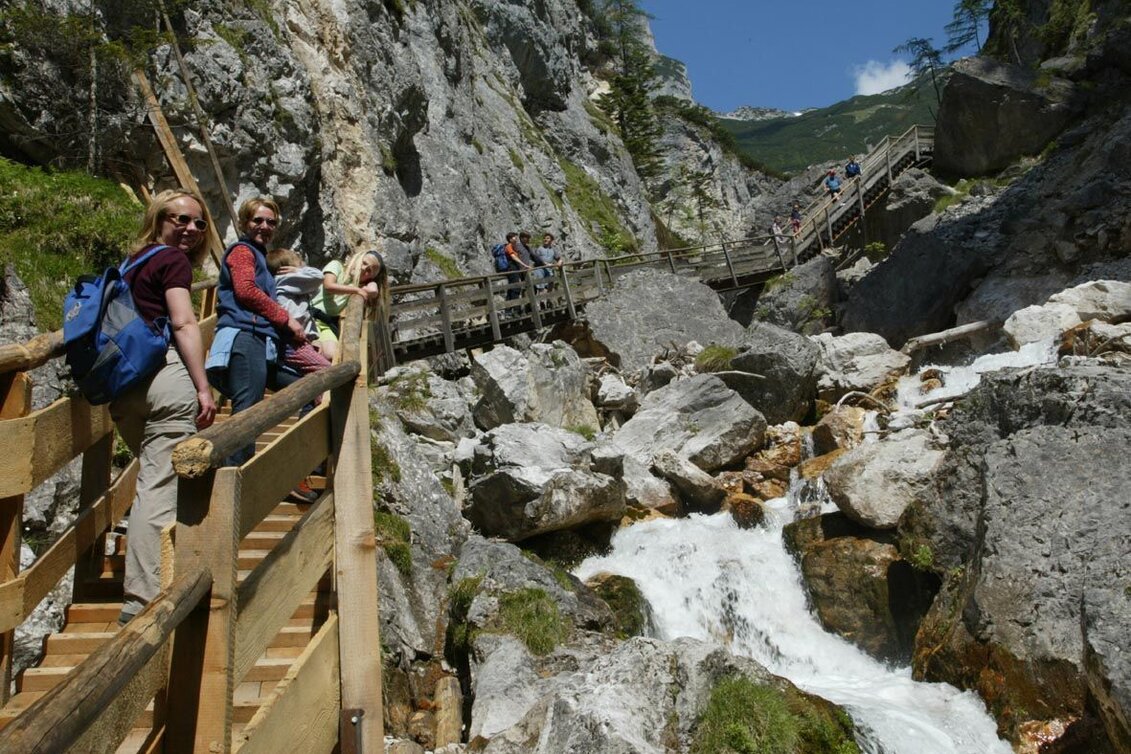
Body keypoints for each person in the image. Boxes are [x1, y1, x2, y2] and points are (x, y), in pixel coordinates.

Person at [111, 189, 217, 625]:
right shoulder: (172, 261)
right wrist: (203, 387)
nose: (190, 229)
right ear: (159, 220)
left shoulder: (131, 262)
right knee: (157, 490)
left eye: (199, 223)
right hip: (164, 377)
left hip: (123, 384)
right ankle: (143, 601)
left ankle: (151, 581)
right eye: (180, 219)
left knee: (150, 483)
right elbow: (183, 322)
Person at [205, 197, 307, 471]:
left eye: (271, 222)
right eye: (257, 220)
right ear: (243, 222)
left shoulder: (258, 255)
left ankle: (295, 465)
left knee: (309, 389)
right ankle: (233, 474)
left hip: (262, 342)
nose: (264, 226)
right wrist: (287, 320)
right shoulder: (242, 251)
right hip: (245, 335)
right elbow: (246, 291)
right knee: (248, 408)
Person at [309, 247, 383, 362]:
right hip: (310, 316)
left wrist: (372, 282)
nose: (364, 269)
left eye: (369, 271)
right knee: (316, 349)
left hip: (326, 323)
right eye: (364, 263)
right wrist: (357, 290)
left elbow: (373, 291)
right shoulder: (336, 266)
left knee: (331, 355)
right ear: (357, 258)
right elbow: (329, 286)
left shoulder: (357, 285)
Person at [267, 248, 332, 376]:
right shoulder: (284, 278)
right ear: (287, 267)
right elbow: (319, 277)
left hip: (296, 341)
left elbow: (315, 290)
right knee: (328, 372)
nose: (301, 263)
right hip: (293, 344)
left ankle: (317, 397)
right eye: (298, 261)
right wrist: (300, 270)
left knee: (311, 377)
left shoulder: (283, 282)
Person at [502, 231, 532, 305]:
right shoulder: (509, 246)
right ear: (510, 239)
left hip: (515, 268)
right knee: (516, 288)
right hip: (512, 268)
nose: (516, 238)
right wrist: (524, 265)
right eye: (515, 237)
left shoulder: (514, 247)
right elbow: (513, 257)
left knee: (512, 288)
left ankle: (510, 309)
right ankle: (515, 308)